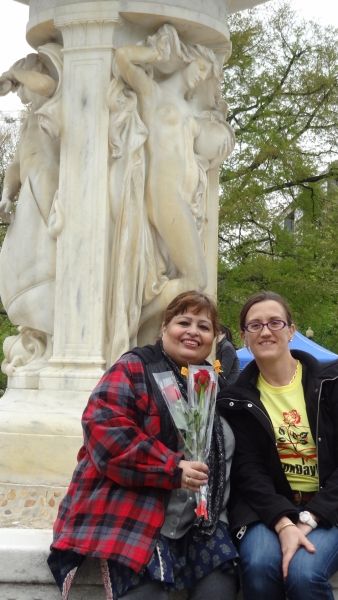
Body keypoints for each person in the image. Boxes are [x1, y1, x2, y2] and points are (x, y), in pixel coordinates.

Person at [48, 290, 238, 600]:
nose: (193, 332)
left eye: (204, 327)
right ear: (164, 328)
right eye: (183, 322)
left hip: (201, 523)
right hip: (139, 512)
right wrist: (171, 467)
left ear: (214, 337)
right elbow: (106, 433)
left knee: (220, 589)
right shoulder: (134, 368)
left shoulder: (211, 385)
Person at [111, 25, 232, 347]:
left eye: (208, 72)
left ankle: (140, 328)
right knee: (196, 279)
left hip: (181, 199)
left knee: (195, 280)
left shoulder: (193, 112)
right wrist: (156, 54)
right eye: (201, 66)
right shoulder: (153, 93)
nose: (201, 76)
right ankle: (128, 324)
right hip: (163, 196)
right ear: (186, 60)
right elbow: (122, 57)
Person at [217, 290, 338, 600]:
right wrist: (284, 524)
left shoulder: (331, 383)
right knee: (258, 565)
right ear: (244, 336)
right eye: (255, 325)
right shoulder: (235, 399)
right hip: (267, 507)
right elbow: (248, 470)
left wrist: (310, 519)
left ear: (291, 330)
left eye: (275, 322)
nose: (265, 331)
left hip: (329, 505)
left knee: (304, 573)